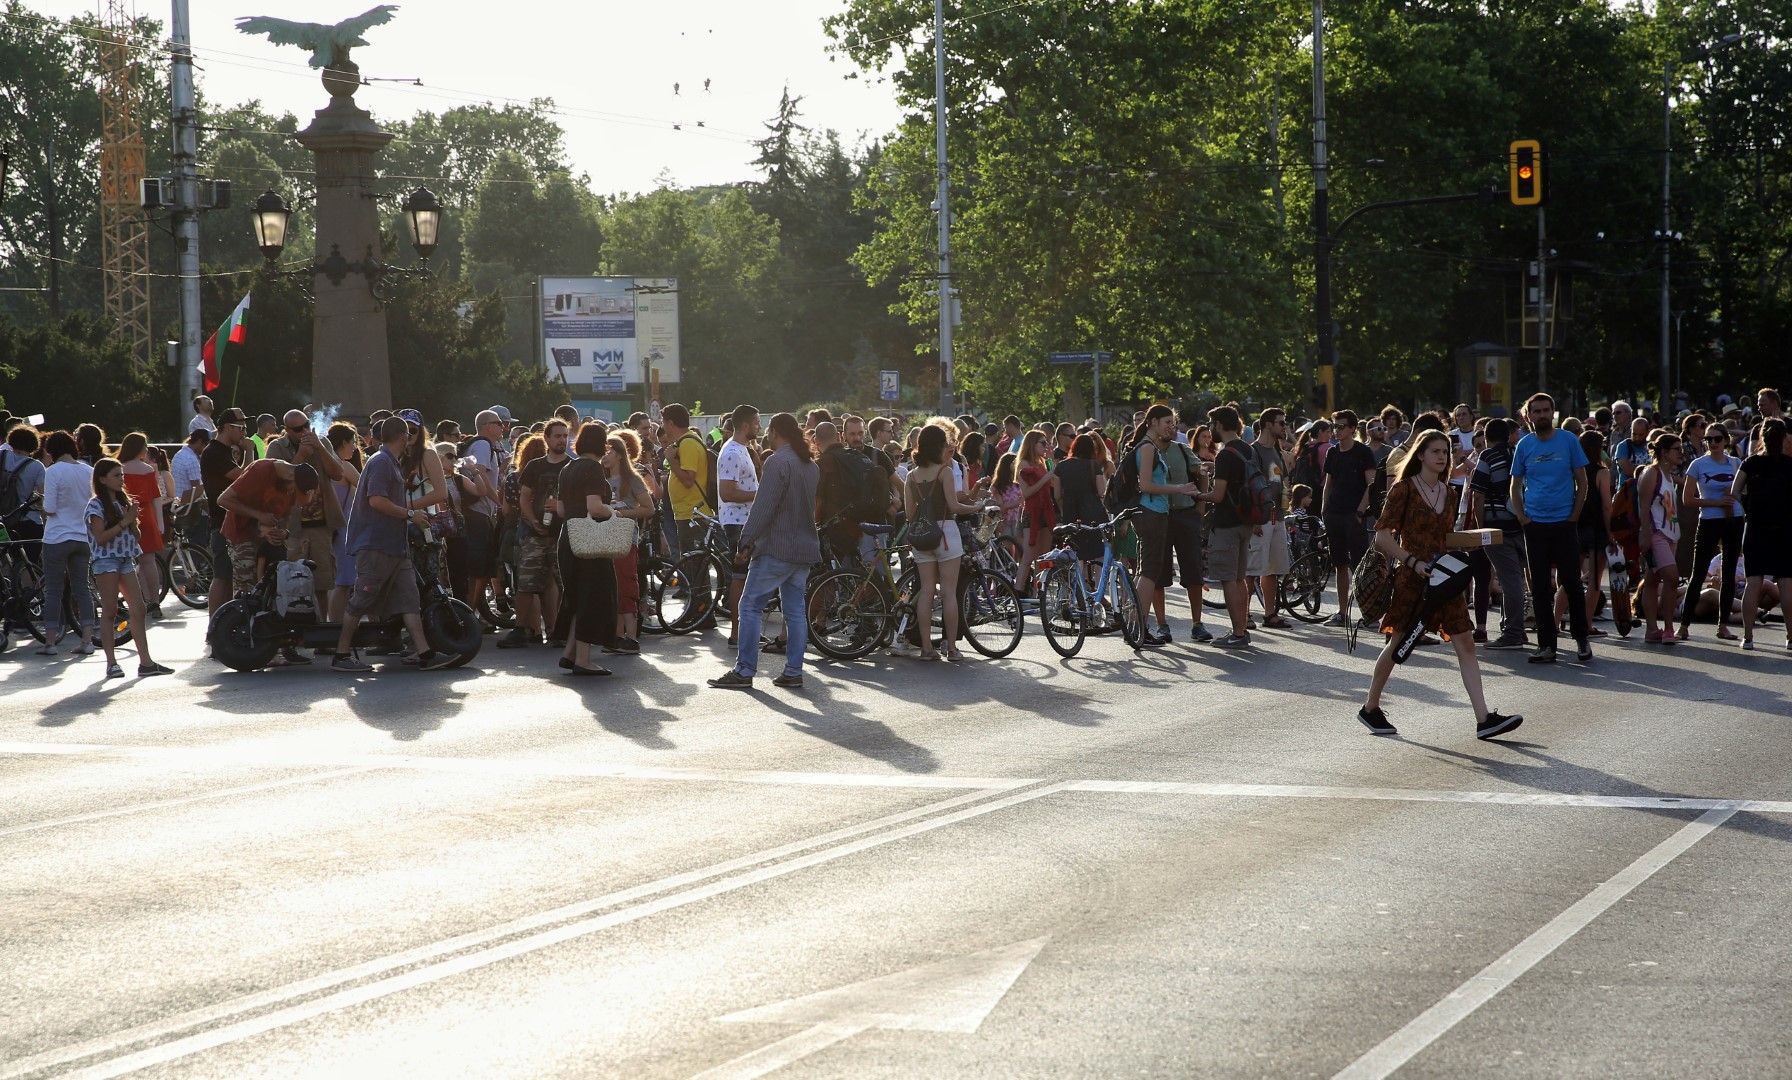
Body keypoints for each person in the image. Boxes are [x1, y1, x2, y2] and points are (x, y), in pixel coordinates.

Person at [1357, 430, 1522, 740]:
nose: (1442, 456)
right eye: (1435, 451)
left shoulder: (1450, 492)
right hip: (1412, 578)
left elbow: (1444, 538)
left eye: (1445, 451)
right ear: (1420, 454)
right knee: (1398, 644)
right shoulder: (1403, 489)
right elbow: (1382, 537)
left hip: (1444, 577)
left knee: (1466, 643)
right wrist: (1412, 562)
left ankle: (1484, 718)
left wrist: (1472, 541)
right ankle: (1370, 707)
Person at [331, 417, 455, 672]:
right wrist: (409, 514)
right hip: (376, 544)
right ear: (402, 438)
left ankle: (425, 654)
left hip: (395, 546)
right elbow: (376, 501)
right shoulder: (381, 462)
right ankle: (341, 655)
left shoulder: (389, 462)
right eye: (408, 436)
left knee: (409, 600)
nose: (410, 440)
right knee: (361, 600)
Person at [709, 412, 821, 688]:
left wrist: (746, 541)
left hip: (776, 546)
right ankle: (794, 670)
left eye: (769, 430)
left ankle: (744, 670)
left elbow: (763, 507)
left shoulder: (777, 462)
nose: (766, 435)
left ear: (776, 432)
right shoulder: (810, 466)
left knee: (749, 605)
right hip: (804, 547)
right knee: (794, 611)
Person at [1510, 393, 1592, 664]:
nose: (1541, 415)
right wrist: (1522, 516)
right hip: (1535, 526)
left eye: (1546, 410)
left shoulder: (1569, 441)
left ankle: (1581, 639)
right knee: (1541, 588)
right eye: (1536, 411)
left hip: (1564, 524)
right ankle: (1547, 645)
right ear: (1528, 415)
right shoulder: (1524, 445)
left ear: (1553, 413)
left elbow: (1583, 482)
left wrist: (1574, 516)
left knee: (1571, 583)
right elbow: (1515, 485)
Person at [86, 458, 171, 678]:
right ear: (102, 479)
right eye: (116, 475)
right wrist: (125, 521)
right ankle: (111, 663)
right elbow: (101, 538)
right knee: (110, 610)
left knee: (139, 608)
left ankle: (146, 662)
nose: (121, 479)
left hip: (125, 558)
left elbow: (136, 535)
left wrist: (132, 522)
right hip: (106, 560)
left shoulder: (123, 501)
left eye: (121, 475)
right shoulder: (95, 505)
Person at [1131, 405, 1207, 645]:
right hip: (1154, 515)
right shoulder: (1147, 448)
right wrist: (1179, 488)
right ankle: (1147, 626)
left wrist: (1200, 506)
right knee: (1152, 574)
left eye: (1173, 423)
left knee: (1177, 571)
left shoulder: (1175, 449)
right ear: (1152, 422)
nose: (1172, 428)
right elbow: (1145, 485)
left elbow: (1201, 473)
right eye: (1167, 423)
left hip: (1177, 515)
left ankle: (1193, 623)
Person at [264, 410, 351, 621]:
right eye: (297, 429)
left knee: (322, 581)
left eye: (306, 425)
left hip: (321, 523)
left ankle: (321, 629)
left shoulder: (321, 442)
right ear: (286, 430)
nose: (304, 431)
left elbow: (337, 473)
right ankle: (295, 633)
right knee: (294, 582)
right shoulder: (277, 447)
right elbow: (278, 483)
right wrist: (301, 454)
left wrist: (319, 447)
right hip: (293, 525)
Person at [555, 422, 621, 675]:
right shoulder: (593, 468)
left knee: (576, 596)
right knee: (593, 596)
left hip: (567, 537)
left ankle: (569, 652)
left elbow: (561, 510)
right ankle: (584, 659)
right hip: (590, 538)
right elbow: (594, 507)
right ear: (601, 444)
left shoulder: (567, 468)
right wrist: (615, 511)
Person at [898, 422, 965, 662]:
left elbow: (908, 514)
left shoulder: (911, 476)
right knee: (948, 593)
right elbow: (954, 506)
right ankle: (952, 648)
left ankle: (927, 648)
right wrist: (977, 506)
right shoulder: (944, 472)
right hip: (946, 533)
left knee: (926, 591)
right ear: (939, 446)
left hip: (921, 535)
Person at [504, 420, 571, 649]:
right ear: (548, 439)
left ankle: (560, 630)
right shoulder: (534, 466)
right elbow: (524, 498)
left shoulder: (572, 466)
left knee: (565, 584)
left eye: (565, 436)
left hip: (563, 534)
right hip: (535, 534)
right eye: (558, 436)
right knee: (526, 582)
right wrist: (533, 520)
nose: (562, 440)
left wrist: (562, 506)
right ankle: (521, 628)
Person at [217, 456, 318, 606]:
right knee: (246, 590)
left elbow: (285, 517)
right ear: (291, 477)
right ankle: (243, 623)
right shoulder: (261, 470)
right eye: (293, 492)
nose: (291, 495)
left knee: (271, 589)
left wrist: (284, 532)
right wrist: (258, 516)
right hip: (242, 535)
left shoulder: (295, 482)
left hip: (266, 541)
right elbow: (223, 500)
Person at [1677, 423, 1745, 641]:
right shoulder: (1698, 464)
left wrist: (1734, 494)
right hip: (1709, 521)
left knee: (1729, 574)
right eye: (1709, 439)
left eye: (1717, 439)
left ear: (1726, 440)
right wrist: (1714, 501)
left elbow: (1745, 491)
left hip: (1733, 519)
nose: (1713, 443)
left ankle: (1722, 625)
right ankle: (1684, 625)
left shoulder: (1736, 463)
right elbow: (1687, 499)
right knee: (1698, 573)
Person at [1467, 417, 1529, 650]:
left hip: (1497, 526)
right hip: (1523, 523)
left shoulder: (1488, 456)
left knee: (1509, 579)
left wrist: (1480, 525)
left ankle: (1513, 633)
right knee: (1516, 577)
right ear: (1509, 435)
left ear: (1488, 438)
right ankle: (1514, 628)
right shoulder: (1518, 453)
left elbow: (1478, 494)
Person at [1731, 418, 1790, 650]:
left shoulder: (1750, 463)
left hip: (1756, 526)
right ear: (1784, 439)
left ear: (1762, 438)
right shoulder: (1789, 464)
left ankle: (1748, 636)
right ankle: (1790, 636)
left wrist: (1749, 503)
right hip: (1785, 527)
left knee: (1752, 582)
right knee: (1787, 583)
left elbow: (1734, 491)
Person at [36, 430, 96, 657]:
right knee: (82, 589)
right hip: (82, 536)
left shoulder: (53, 471)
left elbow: (50, 507)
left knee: (53, 590)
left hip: (56, 537)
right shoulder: (88, 471)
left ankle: (50, 643)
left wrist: (41, 506)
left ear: (51, 450)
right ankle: (88, 640)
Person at [1200, 406, 1254, 649]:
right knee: (1240, 578)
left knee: (1228, 580)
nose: (1211, 430)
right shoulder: (1247, 449)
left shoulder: (1224, 454)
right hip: (1246, 521)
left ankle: (1238, 633)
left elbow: (1219, 495)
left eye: (1212, 424)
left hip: (1227, 524)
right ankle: (1242, 629)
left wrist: (1199, 495)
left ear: (1220, 424)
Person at [1320, 410, 1376, 627]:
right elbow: (1328, 483)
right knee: (1339, 564)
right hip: (1334, 513)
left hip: (1355, 515)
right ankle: (1342, 613)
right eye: (1335, 426)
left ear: (1353, 428)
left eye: (1341, 426)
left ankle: (1368, 611)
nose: (1337, 430)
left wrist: (1361, 512)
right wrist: (1324, 510)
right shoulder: (1332, 452)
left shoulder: (1363, 452)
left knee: (1360, 566)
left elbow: (1371, 485)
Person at [604, 430, 656, 652]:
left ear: (617, 454)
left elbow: (649, 508)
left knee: (626, 583)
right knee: (610, 586)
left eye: (607, 451)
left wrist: (621, 512)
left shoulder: (632, 478)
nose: (603, 456)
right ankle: (616, 636)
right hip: (603, 537)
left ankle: (631, 637)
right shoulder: (600, 478)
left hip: (625, 537)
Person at [717, 405, 761, 646]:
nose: (759, 427)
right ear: (745, 425)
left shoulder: (743, 449)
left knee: (746, 578)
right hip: (736, 522)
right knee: (739, 578)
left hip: (744, 520)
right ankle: (736, 632)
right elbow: (726, 492)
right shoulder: (732, 452)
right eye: (756, 422)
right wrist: (758, 495)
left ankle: (745, 629)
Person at [1634, 432, 1684, 645]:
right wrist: (1645, 534)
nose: (1681, 453)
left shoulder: (1669, 475)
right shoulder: (1651, 472)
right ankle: (1669, 628)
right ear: (1664, 452)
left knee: (1652, 580)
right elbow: (1643, 506)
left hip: (1671, 534)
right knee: (1672, 577)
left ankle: (1652, 629)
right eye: (1677, 449)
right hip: (1656, 534)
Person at [1247, 408, 1295, 630]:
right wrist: (1254, 519)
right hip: (1261, 518)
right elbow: (1249, 487)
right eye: (1281, 423)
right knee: (1252, 569)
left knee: (1273, 568)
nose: (1284, 426)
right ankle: (1244, 613)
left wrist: (1287, 498)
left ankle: (1270, 613)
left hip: (1278, 516)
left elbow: (1281, 480)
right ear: (1267, 424)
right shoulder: (1253, 451)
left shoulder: (1277, 451)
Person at [460, 408, 509, 624]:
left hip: (478, 513)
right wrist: (499, 502)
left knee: (482, 567)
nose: (503, 427)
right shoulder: (482, 445)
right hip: (477, 513)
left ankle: (474, 613)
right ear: (487, 426)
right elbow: (477, 471)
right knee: (479, 569)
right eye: (498, 423)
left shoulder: (485, 445)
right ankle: (468, 615)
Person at [200, 408, 251, 612]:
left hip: (232, 520)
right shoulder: (213, 452)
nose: (244, 433)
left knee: (229, 576)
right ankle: (214, 625)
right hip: (221, 521)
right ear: (227, 427)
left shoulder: (225, 451)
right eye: (241, 428)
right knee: (221, 576)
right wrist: (249, 451)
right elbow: (245, 478)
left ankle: (224, 622)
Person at [117, 433, 167, 619]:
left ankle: (133, 602)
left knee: (124, 562)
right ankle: (153, 601)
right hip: (146, 517)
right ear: (139, 448)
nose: (147, 449)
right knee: (148, 562)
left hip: (122, 516)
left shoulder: (118, 468)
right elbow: (156, 497)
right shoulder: (147, 469)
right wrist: (160, 522)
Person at [1568, 429, 1611, 639]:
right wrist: (1611, 533)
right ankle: (1586, 624)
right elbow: (1606, 506)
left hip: (1574, 527)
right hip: (1596, 530)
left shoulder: (1572, 469)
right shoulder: (1601, 472)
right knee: (1594, 581)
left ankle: (1556, 621)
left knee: (1569, 579)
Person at [324, 422, 363, 622]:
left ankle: (330, 624)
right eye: (353, 442)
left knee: (331, 582)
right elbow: (368, 489)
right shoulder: (343, 466)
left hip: (327, 529)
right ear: (343, 442)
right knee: (345, 582)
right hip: (343, 530)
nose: (355, 447)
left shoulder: (323, 465)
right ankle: (337, 628)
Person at [1015, 430, 1058, 598]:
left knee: (1044, 556)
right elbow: (1026, 493)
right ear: (1032, 444)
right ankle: (1017, 592)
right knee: (1028, 555)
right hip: (1031, 513)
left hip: (1046, 511)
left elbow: (1053, 483)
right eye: (1042, 443)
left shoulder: (1043, 463)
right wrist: (1046, 477)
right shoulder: (1023, 464)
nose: (1046, 446)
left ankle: (1038, 592)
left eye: (1046, 442)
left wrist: (1052, 462)